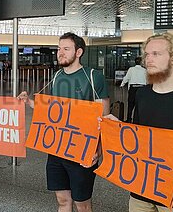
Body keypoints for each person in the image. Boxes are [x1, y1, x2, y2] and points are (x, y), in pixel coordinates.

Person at [111, 33, 173, 212]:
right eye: (147, 54)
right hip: (141, 186)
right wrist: (116, 128)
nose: (148, 59)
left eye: (156, 54)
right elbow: (138, 137)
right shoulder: (143, 94)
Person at [18, 32, 110, 212]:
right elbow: (51, 110)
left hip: (82, 151)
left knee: (82, 204)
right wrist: (29, 102)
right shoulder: (57, 76)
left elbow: (104, 119)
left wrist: (98, 151)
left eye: (66, 49)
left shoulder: (93, 77)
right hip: (57, 149)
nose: (60, 52)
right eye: (59, 49)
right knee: (62, 200)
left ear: (79, 52)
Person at [120, 57, 147, 122]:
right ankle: (139, 120)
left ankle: (129, 119)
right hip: (142, 89)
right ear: (141, 63)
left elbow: (127, 78)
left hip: (133, 88)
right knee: (140, 105)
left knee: (130, 105)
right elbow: (147, 80)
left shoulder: (131, 69)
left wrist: (122, 84)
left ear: (135, 62)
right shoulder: (144, 70)